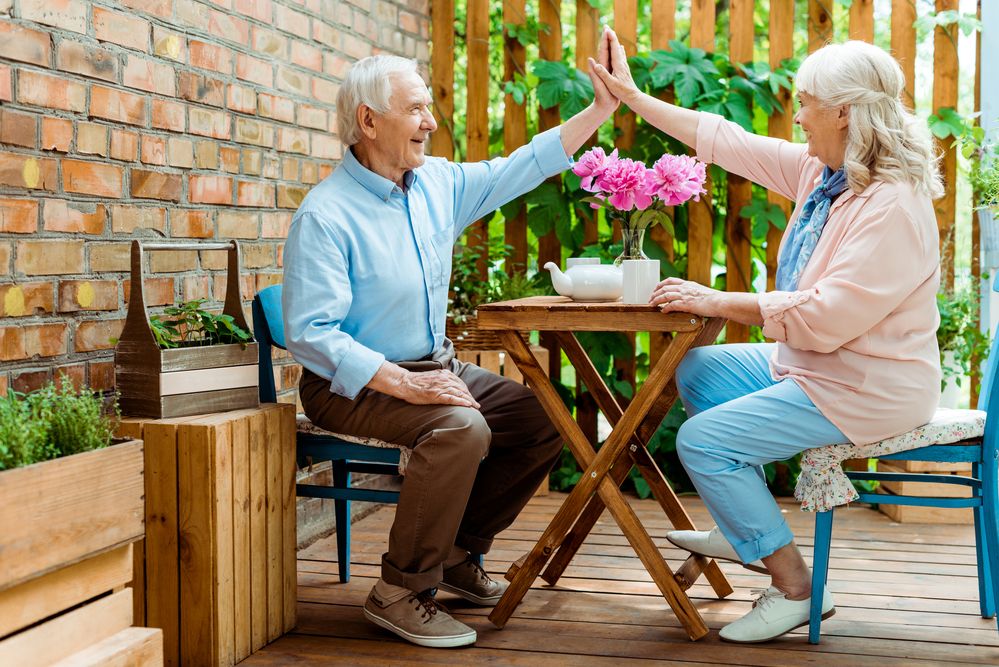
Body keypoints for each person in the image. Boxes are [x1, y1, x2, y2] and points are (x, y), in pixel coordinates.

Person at [591, 31, 942, 642]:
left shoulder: (891, 205)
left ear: (843, 112)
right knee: (699, 370)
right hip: (819, 362)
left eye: (806, 102)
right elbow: (727, 142)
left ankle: (796, 588)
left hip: (867, 382)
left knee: (703, 442)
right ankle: (743, 521)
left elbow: (827, 316)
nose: (797, 114)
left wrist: (718, 301)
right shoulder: (828, 174)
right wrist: (633, 98)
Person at [282, 45, 619, 648]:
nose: (431, 121)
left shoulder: (436, 183)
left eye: (429, 107)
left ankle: (460, 554)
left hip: (434, 367)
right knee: (461, 428)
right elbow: (311, 334)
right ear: (368, 121)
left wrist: (600, 108)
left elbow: (523, 164)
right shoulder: (326, 216)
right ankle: (400, 591)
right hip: (351, 384)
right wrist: (404, 382)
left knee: (543, 421)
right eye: (416, 110)